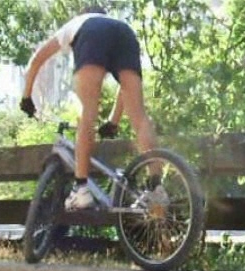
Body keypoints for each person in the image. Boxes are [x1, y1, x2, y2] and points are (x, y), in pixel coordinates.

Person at [20, 6, 159, 211]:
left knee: (87, 114)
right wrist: (113, 121)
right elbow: (124, 88)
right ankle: (157, 188)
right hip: (126, 34)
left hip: (92, 34)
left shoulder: (77, 23)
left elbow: (36, 60)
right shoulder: (115, 24)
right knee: (139, 118)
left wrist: (26, 97)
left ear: (82, 14)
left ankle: (81, 189)